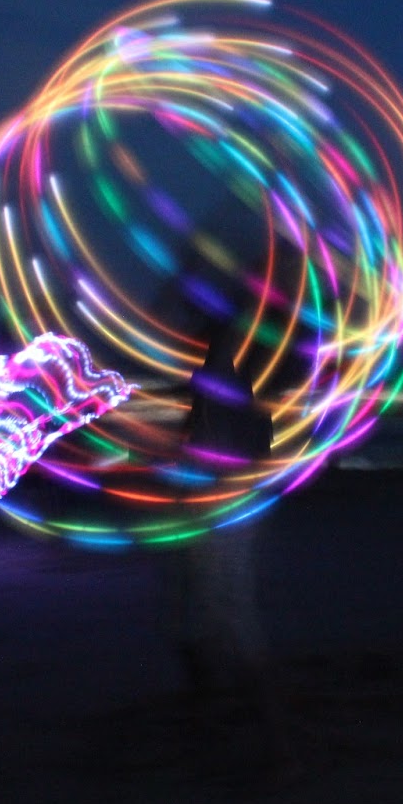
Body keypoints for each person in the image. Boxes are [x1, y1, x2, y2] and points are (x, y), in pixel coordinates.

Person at [165, 324, 295, 777]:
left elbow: (248, 451)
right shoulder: (214, 378)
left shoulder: (231, 381)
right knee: (193, 627)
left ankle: (279, 753)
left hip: (222, 517)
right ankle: (208, 728)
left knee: (230, 627)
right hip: (205, 513)